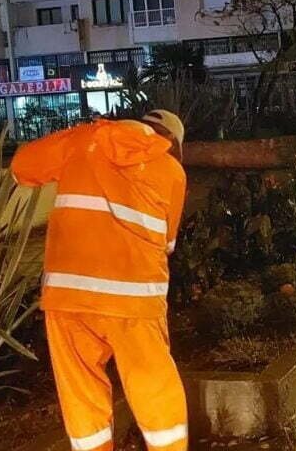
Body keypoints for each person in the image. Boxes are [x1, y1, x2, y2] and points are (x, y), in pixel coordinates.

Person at [11, 110, 188, 451]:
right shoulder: (172, 171)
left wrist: (78, 143)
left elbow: (21, 166)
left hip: (70, 296)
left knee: (82, 395)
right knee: (154, 387)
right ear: (170, 142)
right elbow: (168, 243)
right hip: (136, 298)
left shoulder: (84, 141)